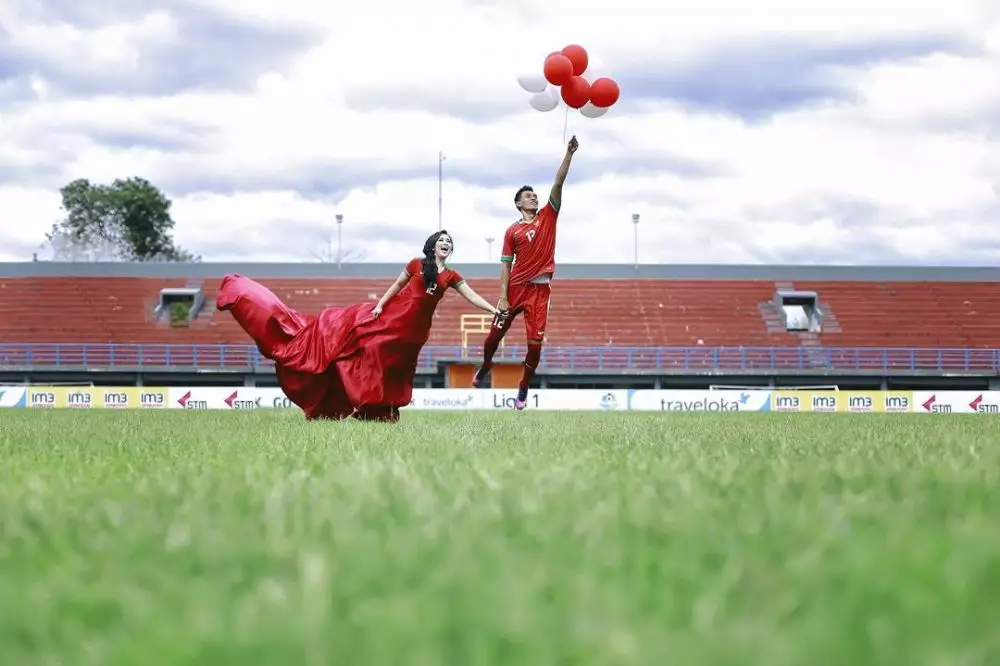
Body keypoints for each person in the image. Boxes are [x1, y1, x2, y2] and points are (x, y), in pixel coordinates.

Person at [216, 230, 499, 422]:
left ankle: (379, 410)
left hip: (414, 332)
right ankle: (366, 404)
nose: (446, 244)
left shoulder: (451, 276)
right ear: (433, 245)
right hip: (394, 317)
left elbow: (471, 295)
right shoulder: (415, 264)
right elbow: (396, 286)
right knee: (367, 350)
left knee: (395, 368)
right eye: (442, 240)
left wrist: (492, 310)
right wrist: (379, 306)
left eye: (449, 241)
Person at [472, 135, 579, 409]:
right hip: (515, 289)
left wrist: (569, 154)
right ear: (519, 204)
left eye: (534, 195)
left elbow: (558, 183)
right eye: (528, 196)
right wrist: (502, 296)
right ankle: (486, 364)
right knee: (493, 337)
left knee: (535, 346)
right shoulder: (512, 231)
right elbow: (505, 264)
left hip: (540, 292)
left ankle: (524, 385)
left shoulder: (549, 215)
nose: (534, 197)